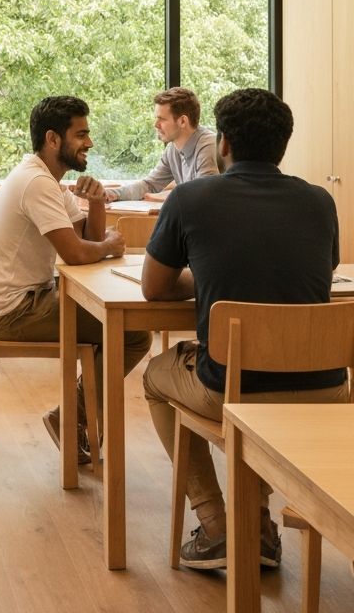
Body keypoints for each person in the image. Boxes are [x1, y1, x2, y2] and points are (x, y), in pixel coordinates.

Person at [141, 88, 348, 571]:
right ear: (283, 146)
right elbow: (323, 268)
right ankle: (257, 529)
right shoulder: (320, 202)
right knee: (253, 373)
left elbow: (154, 287)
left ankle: (217, 526)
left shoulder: (192, 198)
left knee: (157, 376)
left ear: (224, 143)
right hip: (328, 387)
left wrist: (206, 277)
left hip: (237, 387)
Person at [0, 95, 150, 463]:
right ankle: (71, 418)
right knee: (133, 334)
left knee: (126, 330)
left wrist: (98, 203)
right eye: (81, 134)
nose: (89, 142)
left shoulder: (46, 179)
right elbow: (75, 253)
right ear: (53, 139)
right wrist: (109, 245)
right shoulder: (36, 183)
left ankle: (71, 417)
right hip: (16, 313)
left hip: (31, 299)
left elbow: (85, 239)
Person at [105, 87, 217, 201]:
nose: (155, 124)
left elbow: (203, 195)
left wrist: (166, 195)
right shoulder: (172, 149)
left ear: (182, 121)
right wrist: (111, 194)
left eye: (161, 119)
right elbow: (150, 185)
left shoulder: (208, 145)